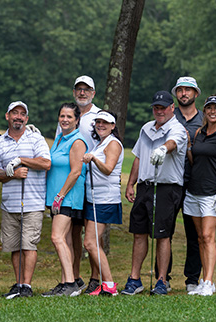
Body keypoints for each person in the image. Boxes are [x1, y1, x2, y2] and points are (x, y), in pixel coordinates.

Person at [121, 91, 187, 296]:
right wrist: (131, 183)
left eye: (163, 107)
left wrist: (163, 149)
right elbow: (139, 157)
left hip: (167, 187)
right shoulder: (146, 128)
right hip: (145, 186)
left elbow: (173, 143)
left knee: (162, 234)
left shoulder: (178, 129)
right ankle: (134, 279)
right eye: (156, 107)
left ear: (172, 108)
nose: (159, 111)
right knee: (139, 232)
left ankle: (161, 280)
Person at [0, 101, 51, 299]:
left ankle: (27, 285)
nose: (18, 117)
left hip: (32, 202)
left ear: (27, 118)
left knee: (28, 245)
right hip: (10, 203)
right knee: (14, 246)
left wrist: (22, 160)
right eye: (14, 113)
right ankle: (18, 283)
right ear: (7, 116)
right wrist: (12, 174)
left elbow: (46, 163)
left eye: (22, 114)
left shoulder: (36, 138)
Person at [184, 95, 216, 296]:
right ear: (204, 111)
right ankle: (205, 281)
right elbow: (195, 159)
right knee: (199, 237)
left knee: (208, 236)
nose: (212, 111)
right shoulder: (199, 132)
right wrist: (189, 146)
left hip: (212, 193)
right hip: (194, 190)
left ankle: (209, 281)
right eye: (209, 108)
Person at [56, 75, 102, 294]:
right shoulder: (68, 115)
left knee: (91, 233)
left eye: (87, 90)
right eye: (79, 89)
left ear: (93, 93)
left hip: (93, 179)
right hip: (73, 182)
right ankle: (73, 277)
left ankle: (96, 277)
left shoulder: (99, 116)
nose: (82, 93)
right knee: (71, 232)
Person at [42, 102, 87, 297]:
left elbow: (76, 171)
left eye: (69, 117)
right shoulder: (60, 138)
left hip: (67, 198)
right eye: (62, 116)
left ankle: (70, 282)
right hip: (57, 197)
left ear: (77, 120)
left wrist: (60, 196)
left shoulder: (77, 141)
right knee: (66, 241)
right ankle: (64, 283)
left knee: (56, 237)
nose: (65, 120)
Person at [164, 76, 204, 292]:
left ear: (196, 94)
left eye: (188, 90)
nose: (184, 94)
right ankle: (164, 277)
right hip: (171, 181)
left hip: (195, 183)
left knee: (194, 234)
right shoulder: (169, 117)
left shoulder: (205, 119)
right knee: (165, 232)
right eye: (180, 90)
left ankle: (192, 280)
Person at [82, 110, 124, 296]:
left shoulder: (113, 143)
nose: (101, 125)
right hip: (94, 199)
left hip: (105, 199)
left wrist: (94, 159)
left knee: (90, 243)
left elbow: (108, 169)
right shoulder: (100, 143)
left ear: (113, 126)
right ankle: (105, 284)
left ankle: (109, 285)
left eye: (105, 122)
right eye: (98, 122)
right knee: (92, 242)